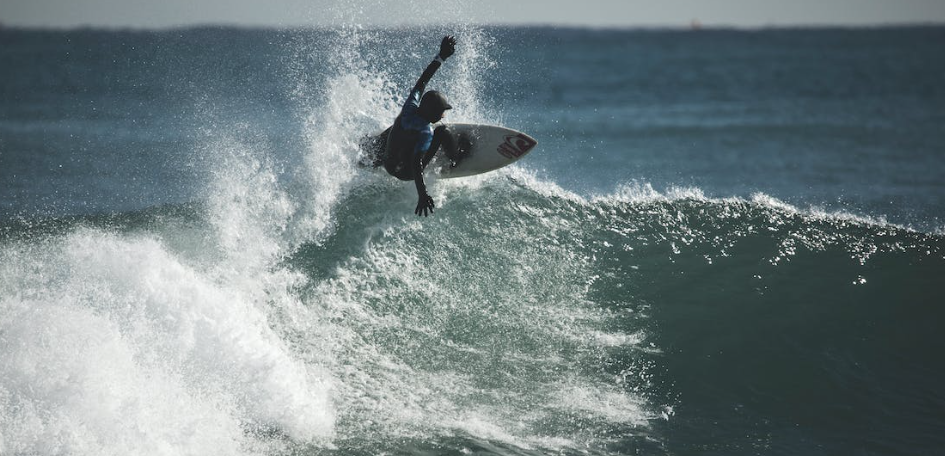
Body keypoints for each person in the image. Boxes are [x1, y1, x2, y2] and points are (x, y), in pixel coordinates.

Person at [382, 35, 460, 217]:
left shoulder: (410, 107)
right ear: (433, 113)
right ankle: (456, 157)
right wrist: (422, 194)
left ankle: (375, 152)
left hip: (388, 164)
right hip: (406, 173)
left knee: (395, 128)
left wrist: (441, 57)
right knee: (443, 131)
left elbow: (423, 81)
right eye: (442, 111)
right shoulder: (426, 132)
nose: (443, 114)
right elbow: (416, 164)